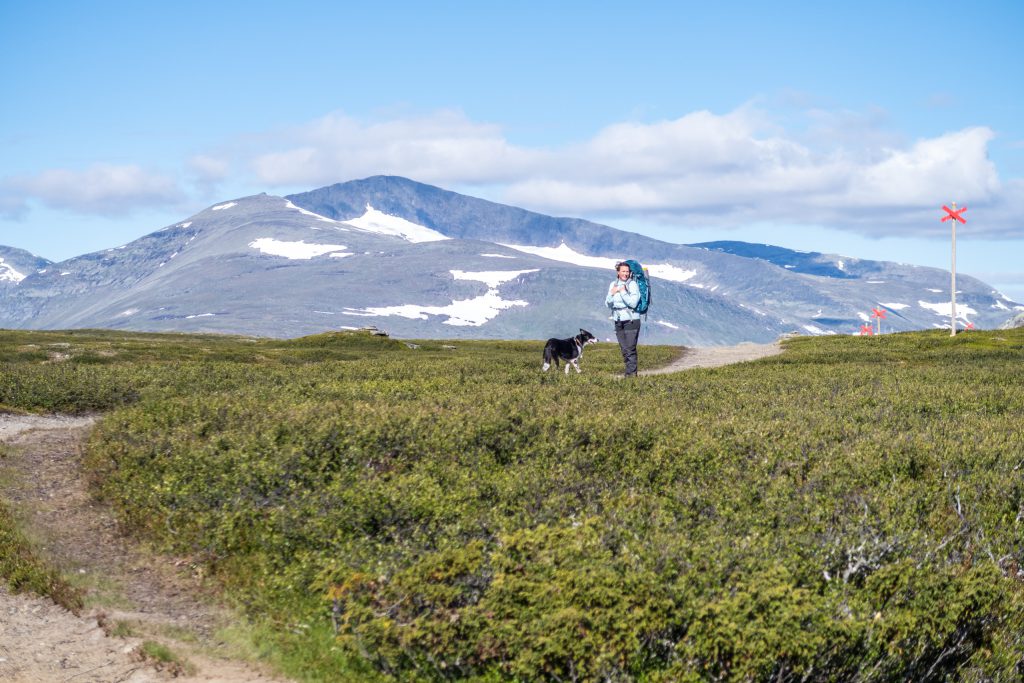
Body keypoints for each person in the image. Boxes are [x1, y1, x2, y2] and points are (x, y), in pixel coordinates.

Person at [605, 261, 641, 376]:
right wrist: (612, 293)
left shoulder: (632, 285)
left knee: (630, 349)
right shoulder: (613, 284)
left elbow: (633, 303)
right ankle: (629, 374)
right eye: (623, 271)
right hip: (618, 320)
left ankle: (631, 377)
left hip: (632, 320)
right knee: (624, 350)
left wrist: (623, 292)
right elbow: (608, 304)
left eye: (627, 271)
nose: (625, 273)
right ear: (618, 272)